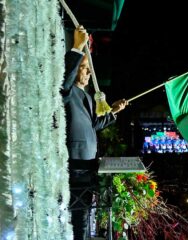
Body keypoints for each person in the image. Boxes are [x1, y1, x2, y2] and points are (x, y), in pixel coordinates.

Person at [61, 25, 128, 240]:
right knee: (69, 218)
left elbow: (94, 125)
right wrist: (76, 48)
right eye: (84, 68)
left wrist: (114, 112)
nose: (89, 73)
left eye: (89, 70)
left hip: (88, 167)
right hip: (73, 165)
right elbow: (63, 83)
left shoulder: (87, 97)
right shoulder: (67, 91)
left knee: (82, 220)